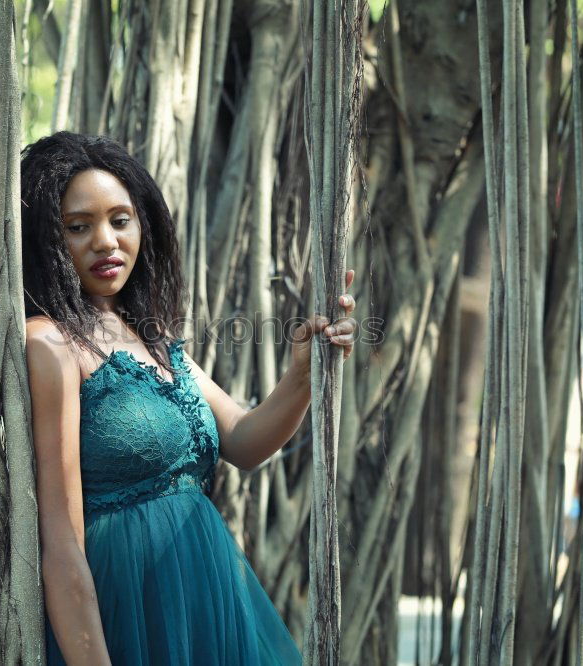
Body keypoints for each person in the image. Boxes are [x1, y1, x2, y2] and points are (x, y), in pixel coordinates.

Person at [20, 132, 357, 665]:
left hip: (209, 604)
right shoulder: (49, 344)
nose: (106, 241)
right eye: (77, 227)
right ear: (44, 239)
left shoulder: (146, 336)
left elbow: (244, 442)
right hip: (126, 614)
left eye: (120, 220)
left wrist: (302, 375)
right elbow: (60, 543)